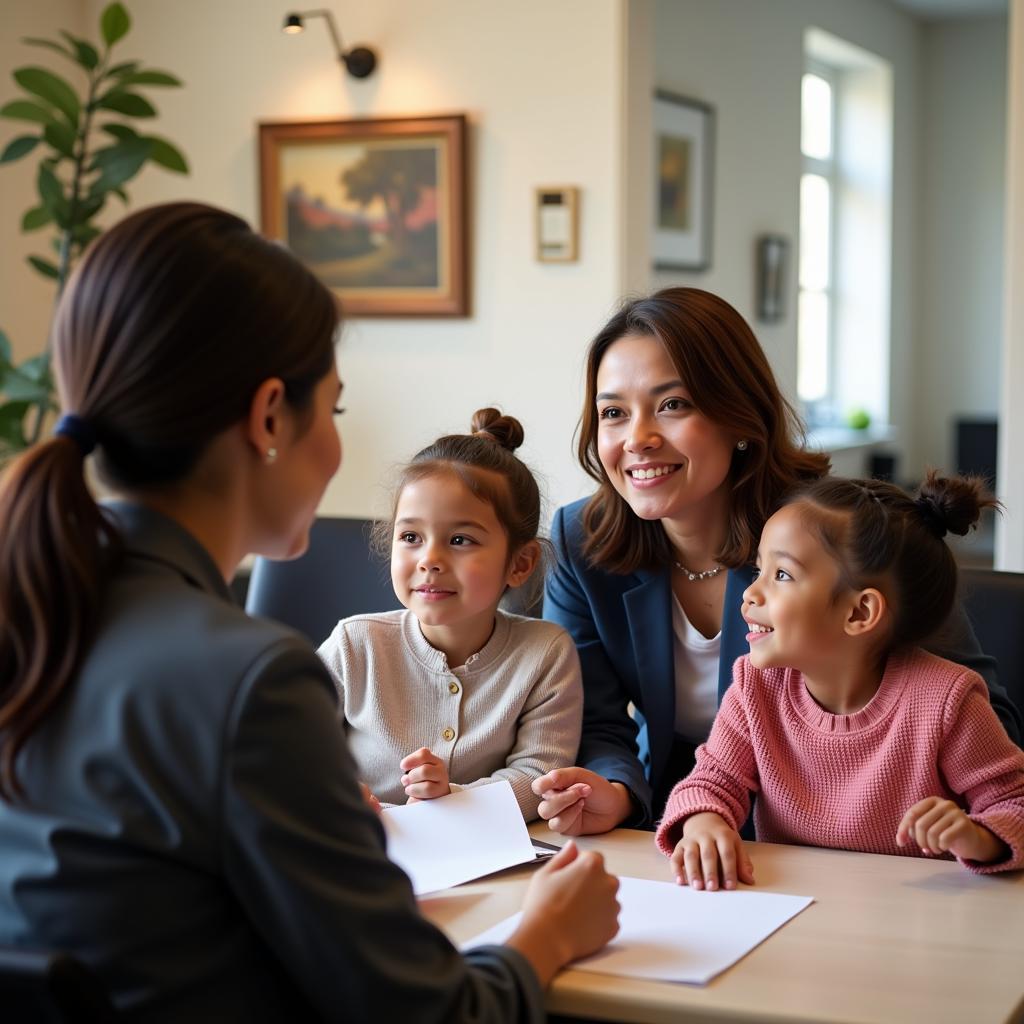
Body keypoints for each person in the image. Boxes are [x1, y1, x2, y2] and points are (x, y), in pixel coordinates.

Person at [0, 202, 619, 1023]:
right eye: (334, 409)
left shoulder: (33, 610)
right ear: (267, 420)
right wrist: (545, 934)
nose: (334, 444)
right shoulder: (250, 681)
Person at [533, 288, 1023, 835]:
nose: (638, 439)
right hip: (687, 819)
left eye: (673, 405)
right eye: (613, 413)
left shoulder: (838, 531)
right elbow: (596, 721)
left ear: (739, 416)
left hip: (854, 831)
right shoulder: (580, 539)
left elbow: (987, 722)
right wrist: (617, 791)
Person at [655, 473, 1024, 889]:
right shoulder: (755, 687)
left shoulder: (947, 700)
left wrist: (976, 836)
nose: (750, 594)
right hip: (794, 909)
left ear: (859, 613)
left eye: (781, 576)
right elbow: (712, 781)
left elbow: (1014, 804)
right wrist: (705, 822)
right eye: (760, 569)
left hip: (918, 918)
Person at [318, 408, 582, 820]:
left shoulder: (546, 653)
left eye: (460, 539)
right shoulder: (356, 644)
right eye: (410, 537)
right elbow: (287, 744)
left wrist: (459, 796)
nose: (430, 559)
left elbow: (541, 773)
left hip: (480, 856)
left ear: (520, 563)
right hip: (359, 844)